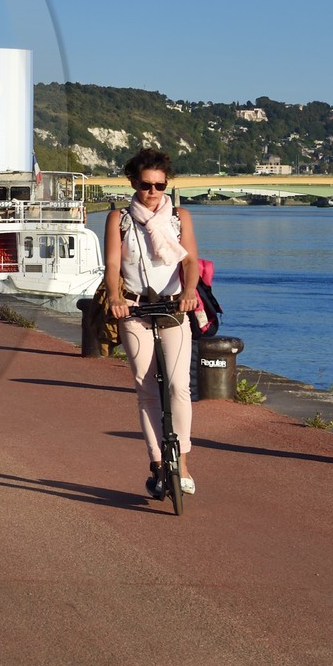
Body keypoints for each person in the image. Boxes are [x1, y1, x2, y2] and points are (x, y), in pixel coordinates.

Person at [104, 147, 202, 500]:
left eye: (160, 186)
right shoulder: (119, 219)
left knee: (178, 386)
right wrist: (115, 297)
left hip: (174, 307)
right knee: (146, 389)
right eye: (146, 185)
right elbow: (112, 265)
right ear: (134, 182)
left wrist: (189, 291)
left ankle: (183, 466)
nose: (153, 192)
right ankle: (159, 464)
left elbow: (190, 262)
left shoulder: (179, 217)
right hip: (134, 308)